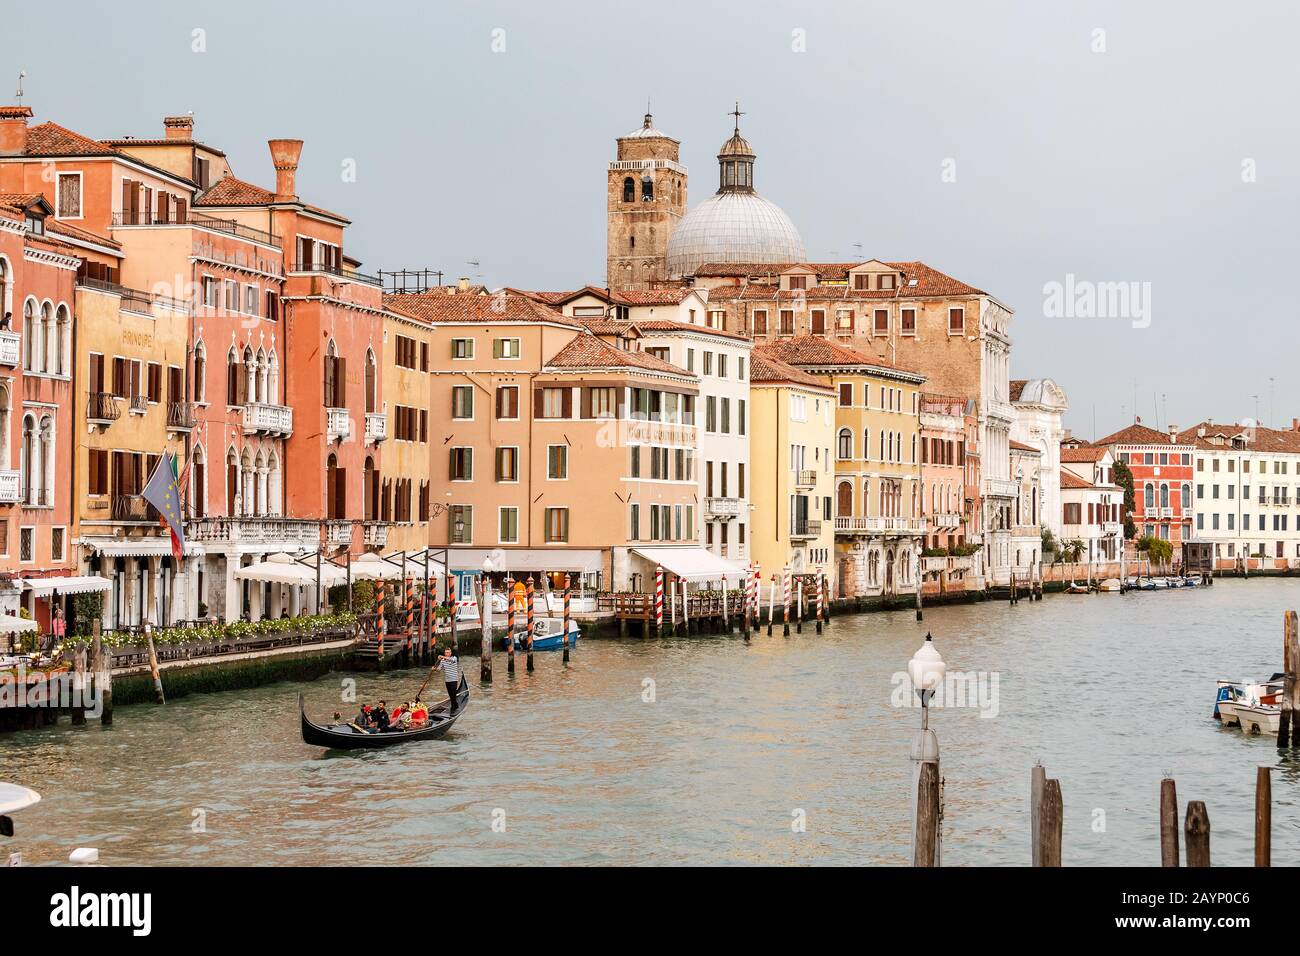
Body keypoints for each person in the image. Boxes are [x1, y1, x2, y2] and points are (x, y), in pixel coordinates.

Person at [435, 647, 462, 715]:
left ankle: (453, 708)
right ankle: (455, 705)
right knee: (450, 695)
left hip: (454, 679)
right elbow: (439, 669)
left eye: (447, 652)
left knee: (453, 694)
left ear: (450, 653)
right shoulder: (443, 661)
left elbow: (450, 659)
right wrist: (434, 668)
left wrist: (442, 657)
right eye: (445, 652)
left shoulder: (454, 658)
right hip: (447, 680)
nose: (446, 654)